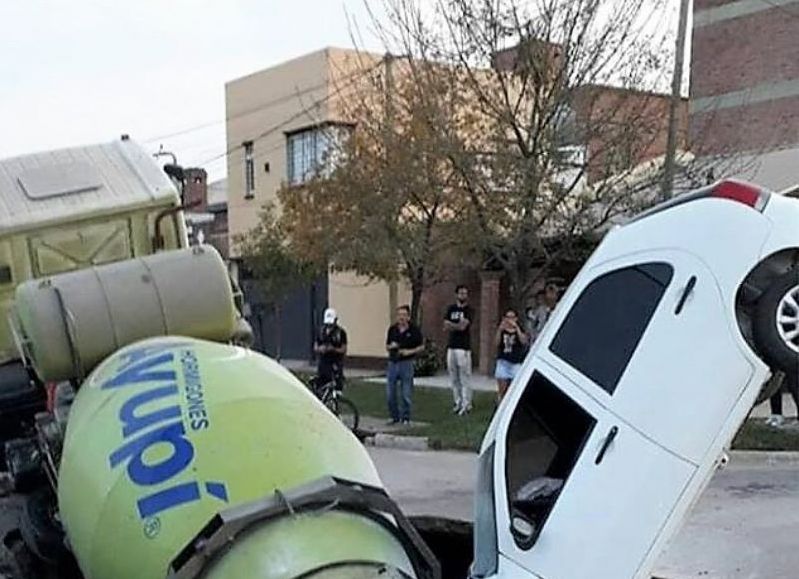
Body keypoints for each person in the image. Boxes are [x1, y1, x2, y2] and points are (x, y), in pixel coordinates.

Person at [385, 305, 424, 425]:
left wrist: (409, 352)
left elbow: (422, 347)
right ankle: (394, 417)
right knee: (390, 393)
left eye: (404, 315)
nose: (401, 318)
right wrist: (392, 347)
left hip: (406, 364)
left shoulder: (414, 330)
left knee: (406, 393)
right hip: (393, 362)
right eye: (399, 315)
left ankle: (406, 417)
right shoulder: (392, 329)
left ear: (408, 316)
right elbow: (387, 346)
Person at [444, 285, 473, 415]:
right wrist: (456, 325)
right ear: (456, 294)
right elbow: (445, 325)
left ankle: (467, 404)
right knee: (453, 377)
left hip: (464, 347)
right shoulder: (451, 309)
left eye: (465, 293)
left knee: (464, 376)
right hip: (451, 346)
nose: (463, 295)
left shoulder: (469, 310)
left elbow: (463, 327)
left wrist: (453, 325)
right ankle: (457, 402)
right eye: (461, 293)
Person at [495, 309, 529, 400]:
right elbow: (496, 343)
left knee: (514, 389)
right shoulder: (502, 330)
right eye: (508, 317)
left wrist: (517, 328)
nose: (510, 319)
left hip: (515, 362)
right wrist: (499, 329)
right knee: (502, 390)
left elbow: (524, 341)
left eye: (512, 317)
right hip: (503, 361)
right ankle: (500, 404)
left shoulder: (520, 329)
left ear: (516, 318)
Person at [314, 308, 348, 389]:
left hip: (335, 363)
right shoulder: (321, 331)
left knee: (336, 386)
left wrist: (333, 349)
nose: (329, 326)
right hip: (323, 363)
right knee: (321, 386)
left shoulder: (341, 333)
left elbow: (343, 349)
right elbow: (315, 346)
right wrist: (320, 349)